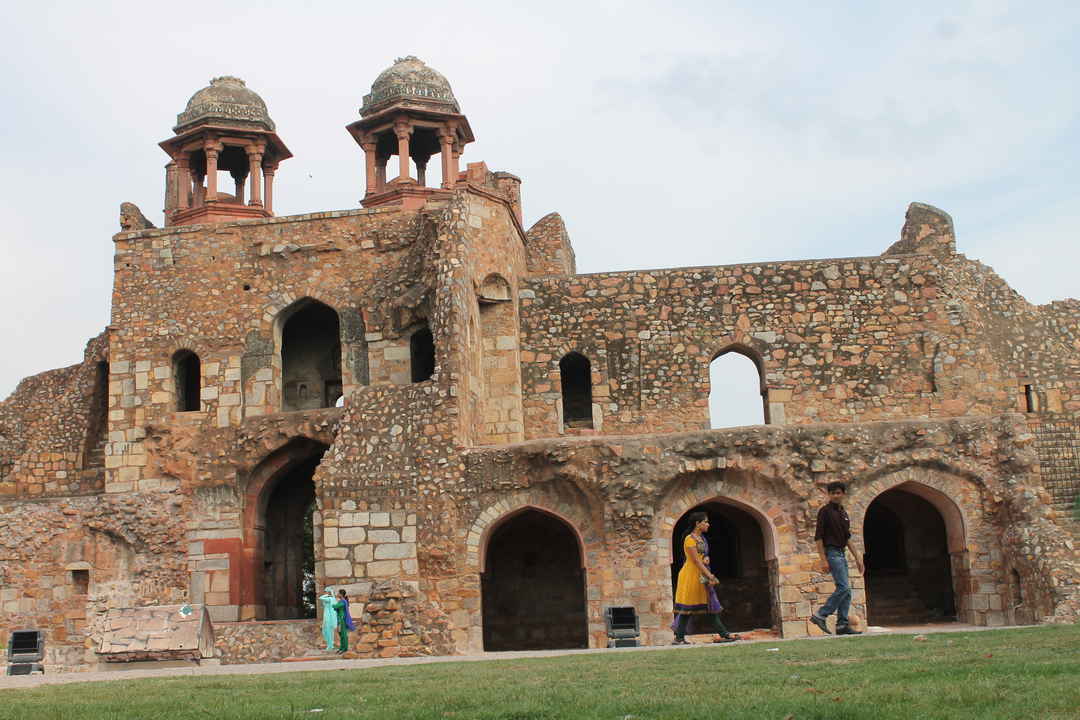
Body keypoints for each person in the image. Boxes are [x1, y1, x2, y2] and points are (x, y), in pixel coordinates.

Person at [672, 511, 740, 644]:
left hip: (701, 574)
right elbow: (696, 561)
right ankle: (680, 638)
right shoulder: (689, 539)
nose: (708, 524)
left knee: (709, 605)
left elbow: (702, 556)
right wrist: (710, 576)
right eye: (706, 522)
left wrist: (707, 558)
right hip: (691, 575)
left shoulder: (702, 538)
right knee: (687, 608)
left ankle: (723, 634)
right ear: (698, 524)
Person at [810, 481, 864, 636]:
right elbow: (818, 537)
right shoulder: (825, 512)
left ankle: (842, 625)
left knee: (846, 591)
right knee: (843, 587)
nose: (835, 495)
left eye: (838, 492)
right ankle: (821, 614)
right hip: (832, 552)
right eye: (832, 493)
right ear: (829, 495)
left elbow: (847, 538)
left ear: (843, 494)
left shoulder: (843, 513)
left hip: (841, 552)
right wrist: (823, 559)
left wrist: (858, 558)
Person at [334, 588, 356, 653]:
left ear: (341, 594)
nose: (337, 594)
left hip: (342, 619)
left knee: (343, 634)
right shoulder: (341, 601)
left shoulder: (343, 601)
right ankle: (341, 647)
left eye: (338, 593)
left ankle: (345, 648)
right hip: (339, 619)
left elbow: (335, 607)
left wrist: (333, 604)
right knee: (340, 634)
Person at [319, 587, 337, 652]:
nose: (324, 592)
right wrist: (328, 594)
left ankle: (330, 645)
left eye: (325, 591)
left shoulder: (329, 599)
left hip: (328, 616)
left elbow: (320, 598)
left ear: (328, 592)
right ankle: (330, 644)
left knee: (327, 630)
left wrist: (327, 594)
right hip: (327, 615)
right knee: (328, 630)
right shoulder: (331, 599)